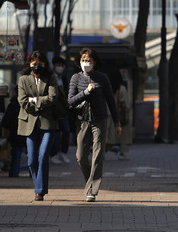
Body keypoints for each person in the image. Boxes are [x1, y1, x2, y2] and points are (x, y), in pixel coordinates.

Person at [68, 47, 121, 202]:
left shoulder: (102, 78)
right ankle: (89, 182)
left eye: (89, 61)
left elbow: (111, 101)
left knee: (98, 154)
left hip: (100, 120)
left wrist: (117, 122)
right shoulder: (75, 78)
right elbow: (70, 101)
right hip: (82, 120)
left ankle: (92, 189)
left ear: (94, 62)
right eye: (83, 60)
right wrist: (85, 93)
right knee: (80, 157)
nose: (86, 63)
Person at [17, 50, 60, 201]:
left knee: (43, 156)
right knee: (31, 160)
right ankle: (39, 186)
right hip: (29, 123)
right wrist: (41, 101)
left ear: (45, 64)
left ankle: (40, 191)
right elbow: (22, 102)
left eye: (40, 63)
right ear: (29, 64)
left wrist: (34, 100)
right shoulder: (23, 80)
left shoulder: (50, 78)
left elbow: (53, 97)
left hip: (48, 123)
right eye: (34, 63)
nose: (37, 66)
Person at [49, 56, 71, 165]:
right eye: (58, 65)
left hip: (63, 109)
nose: (60, 68)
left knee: (66, 131)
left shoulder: (64, 79)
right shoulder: (50, 78)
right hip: (52, 110)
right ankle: (54, 154)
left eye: (62, 66)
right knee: (55, 133)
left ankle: (64, 153)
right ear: (54, 66)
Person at [106, 69, 131, 160]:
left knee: (106, 135)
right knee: (123, 134)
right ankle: (121, 153)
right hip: (119, 115)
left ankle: (102, 153)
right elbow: (125, 104)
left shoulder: (105, 88)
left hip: (107, 115)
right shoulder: (121, 89)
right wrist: (127, 114)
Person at [1, 91, 27, 177]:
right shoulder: (32, 104)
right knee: (32, 155)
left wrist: (12, 128)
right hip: (29, 136)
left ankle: (14, 174)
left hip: (15, 137)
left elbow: (5, 122)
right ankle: (33, 173)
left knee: (16, 155)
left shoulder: (12, 105)